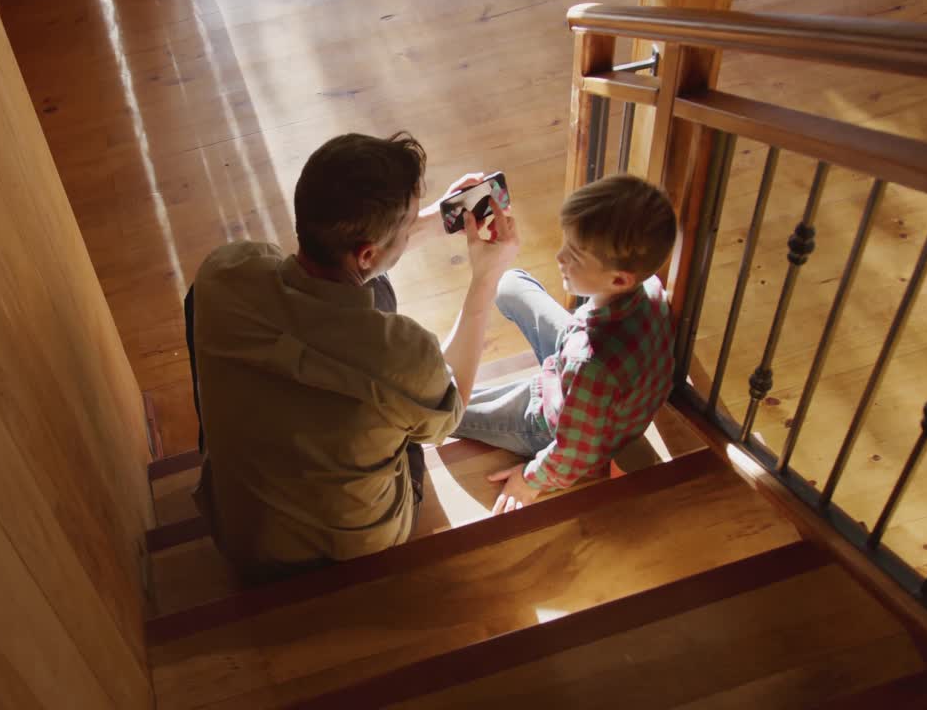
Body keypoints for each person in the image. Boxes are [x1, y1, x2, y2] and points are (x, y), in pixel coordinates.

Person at [185, 131, 518, 581]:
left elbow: (329, 268)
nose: (412, 228)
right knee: (415, 397)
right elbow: (450, 409)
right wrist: (485, 280)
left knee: (374, 292)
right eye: (406, 227)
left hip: (240, 536)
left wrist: (435, 220)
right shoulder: (402, 357)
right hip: (354, 549)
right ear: (367, 253)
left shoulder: (223, 274)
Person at [452, 174, 677, 515]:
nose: (559, 257)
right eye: (565, 245)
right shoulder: (652, 289)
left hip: (549, 421)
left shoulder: (589, 366)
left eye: (574, 256)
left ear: (618, 279)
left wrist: (531, 479)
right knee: (509, 284)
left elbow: (574, 451)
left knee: (446, 413)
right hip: (590, 373)